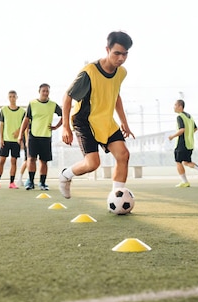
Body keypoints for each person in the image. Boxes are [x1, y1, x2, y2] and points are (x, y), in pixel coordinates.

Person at [59, 31, 135, 199]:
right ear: (107, 49)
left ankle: (117, 196)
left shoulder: (121, 72)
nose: (121, 58)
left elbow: (116, 96)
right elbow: (67, 97)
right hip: (84, 121)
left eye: (125, 54)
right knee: (93, 164)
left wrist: (124, 123)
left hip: (106, 121)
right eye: (117, 53)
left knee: (123, 155)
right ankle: (66, 175)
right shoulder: (89, 72)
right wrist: (65, 127)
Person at [17, 83, 63, 191]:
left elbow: (64, 115)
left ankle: (42, 183)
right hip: (33, 136)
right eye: (44, 91)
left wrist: (56, 126)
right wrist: (20, 134)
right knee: (31, 159)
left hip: (46, 137)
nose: (45, 93)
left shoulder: (53, 105)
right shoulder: (32, 104)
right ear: (39, 92)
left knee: (44, 161)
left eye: (47, 91)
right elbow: (26, 120)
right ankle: (31, 182)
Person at [168, 99, 198, 187]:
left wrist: (172, 136)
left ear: (180, 106)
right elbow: (195, 128)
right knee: (186, 162)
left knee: (178, 162)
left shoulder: (180, 117)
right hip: (189, 144)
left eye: (175, 105)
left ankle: (185, 182)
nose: (174, 107)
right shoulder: (190, 116)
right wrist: (188, 135)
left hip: (181, 144)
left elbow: (182, 130)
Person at [0, 90, 26, 189]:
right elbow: (1, 125)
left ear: (17, 97)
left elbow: (24, 125)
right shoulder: (4, 110)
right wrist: (1, 138)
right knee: (2, 160)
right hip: (6, 140)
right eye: (10, 96)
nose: (12, 98)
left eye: (14, 96)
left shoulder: (22, 111)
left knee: (14, 161)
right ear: (8, 98)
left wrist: (19, 133)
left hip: (16, 141)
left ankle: (11, 182)